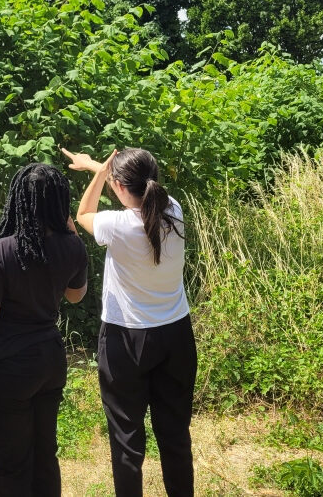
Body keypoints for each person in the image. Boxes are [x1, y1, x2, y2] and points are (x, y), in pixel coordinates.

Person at [62, 147, 195, 497]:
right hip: (176, 335)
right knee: (175, 434)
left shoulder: (115, 225)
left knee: (126, 438)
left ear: (118, 186)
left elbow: (83, 212)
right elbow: (138, 192)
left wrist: (99, 169)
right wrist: (103, 168)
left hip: (126, 341)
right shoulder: (174, 210)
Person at [0, 163, 88, 496]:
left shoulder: (2, 251)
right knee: (45, 457)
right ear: (60, 202)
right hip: (50, 359)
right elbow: (76, 295)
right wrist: (71, 236)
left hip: (9, 367)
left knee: (10, 467)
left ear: (17, 201)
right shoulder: (72, 245)